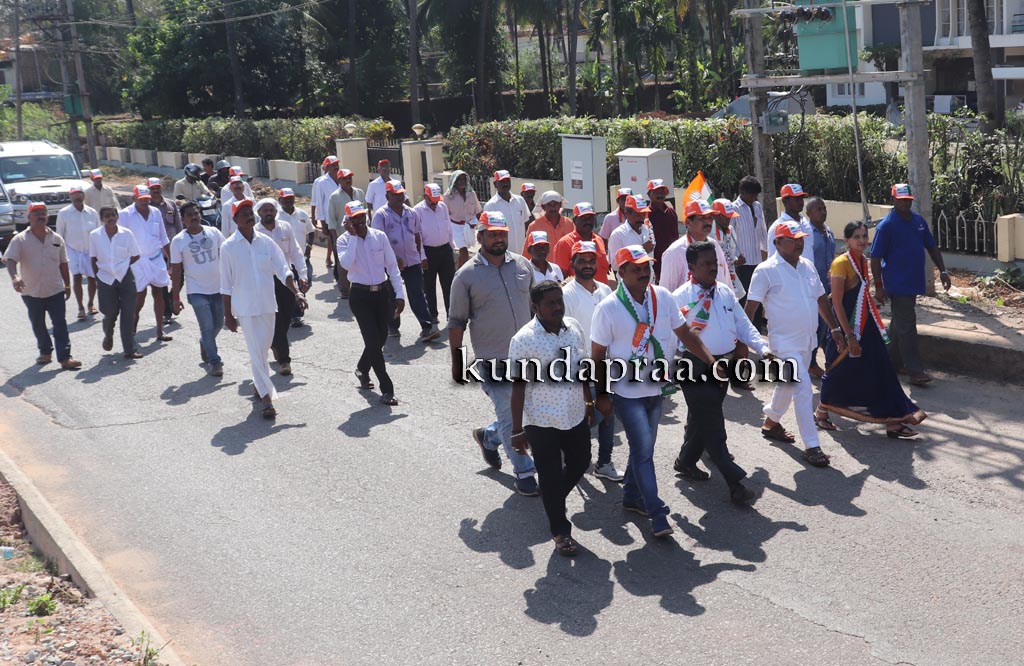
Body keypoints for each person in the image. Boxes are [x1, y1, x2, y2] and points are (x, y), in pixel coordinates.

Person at [591, 245, 715, 537]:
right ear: (621, 272)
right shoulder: (608, 308)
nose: (644, 273)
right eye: (636, 269)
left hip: (656, 389)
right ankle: (657, 513)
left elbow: (686, 334)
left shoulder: (663, 297)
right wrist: (602, 396)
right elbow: (596, 357)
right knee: (644, 452)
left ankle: (632, 497)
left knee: (642, 449)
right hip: (626, 392)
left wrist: (712, 363)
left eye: (646, 267)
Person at [671, 241, 770, 504]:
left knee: (701, 420)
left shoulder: (725, 292)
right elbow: (669, 337)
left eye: (714, 262)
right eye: (706, 263)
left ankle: (685, 461)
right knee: (714, 426)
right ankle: (735, 483)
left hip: (722, 367)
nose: (713, 268)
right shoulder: (679, 297)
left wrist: (763, 348)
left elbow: (743, 325)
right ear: (691, 267)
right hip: (693, 367)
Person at [449, 211, 539, 496]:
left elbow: (538, 308)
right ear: (480, 236)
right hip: (493, 361)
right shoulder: (466, 276)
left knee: (528, 414)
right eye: (493, 234)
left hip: (529, 358)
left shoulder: (523, 265)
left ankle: (488, 437)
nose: (498, 239)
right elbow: (456, 322)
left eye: (502, 234)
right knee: (510, 414)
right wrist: (457, 361)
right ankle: (524, 472)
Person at [744, 222, 846, 468]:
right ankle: (812, 445)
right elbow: (751, 308)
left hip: (807, 340)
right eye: (793, 239)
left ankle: (771, 422)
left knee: (788, 385)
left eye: (801, 238)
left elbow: (821, 299)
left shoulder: (807, 266)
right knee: (802, 389)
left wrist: (834, 329)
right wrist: (748, 343)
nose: (799, 243)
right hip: (783, 343)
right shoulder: (765, 271)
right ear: (778, 242)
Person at [818, 221, 927, 437]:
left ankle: (893, 421)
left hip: (867, 327)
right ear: (847, 240)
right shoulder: (841, 264)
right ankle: (822, 410)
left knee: (881, 369)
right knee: (839, 370)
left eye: (864, 236)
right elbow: (837, 304)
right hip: (847, 329)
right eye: (856, 237)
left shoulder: (862, 260)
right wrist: (848, 336)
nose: (862, 241)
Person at [509, 281, 593, 556]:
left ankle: (552, 496)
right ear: (535, 307)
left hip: (574, 413)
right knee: (550, 473)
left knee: (581, 461)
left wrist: (588, 400)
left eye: (559, 301)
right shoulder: (523, 340)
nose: (558, 307)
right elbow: (518, 387)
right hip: (541, 420)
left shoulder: (574, 328)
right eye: (550, 303)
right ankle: (560, 531)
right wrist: (517, 430)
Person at [221, 199, 307, 419]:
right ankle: (267, 399)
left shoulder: (266, 243)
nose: (249, 216)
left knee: (264, 348)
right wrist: (228, 314)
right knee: (256, 352)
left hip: (268, 305)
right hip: (246, 308)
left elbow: (283, 269)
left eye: (250, 212)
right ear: (235, 220)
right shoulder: (228, 247)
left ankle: (258, 384)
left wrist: (296, 292)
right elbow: (225, 285)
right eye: (244, 214)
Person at [870, 183, 951, 387]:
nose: (905, 204)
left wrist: (943, 270)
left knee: (899, 324)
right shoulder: (887, 226)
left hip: (914, 281)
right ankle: (915, 370)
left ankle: (887, 362)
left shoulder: (918, 221)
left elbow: (931, 246)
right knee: (907, 324)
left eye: (908, 200)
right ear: (893, 200)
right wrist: (878, 286)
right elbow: (875, 257)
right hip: (897, 283)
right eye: (901, 200)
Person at [561, 241, 621, 482]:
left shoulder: (606, 291)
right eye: (582, 261)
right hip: (579, 368)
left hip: (606, 367)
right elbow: (563, 336)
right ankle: (571, 458)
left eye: (591, 260)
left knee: (608, 414)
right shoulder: (566, 295)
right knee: (585, 418)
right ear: (572, 263)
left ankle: (604, 462)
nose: (588, 265)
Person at [338, 200, 405, 405]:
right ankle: (387, 388)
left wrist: (400, 294)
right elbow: (346, 264)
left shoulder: (379, 236)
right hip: (360, 296)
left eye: (361, 216)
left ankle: (362, 368)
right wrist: (354, 237)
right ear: (348, 221)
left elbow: (392, 267)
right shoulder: (344, 241)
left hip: (381, 294)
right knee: (373, 341)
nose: (359, 221)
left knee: (380, 337)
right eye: (354, 218)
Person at [3, 203, 81, 370]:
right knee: (38, 324)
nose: (40, 216)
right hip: (31, 291)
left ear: (47, 216)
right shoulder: (20, 239)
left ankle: (65, 358)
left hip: (55, 289)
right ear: (28, 217)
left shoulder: (56, 238)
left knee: (60, 324)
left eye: (43, 213)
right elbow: (10, 260)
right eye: (36, 213)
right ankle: (45, 352)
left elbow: (63, 263)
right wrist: (14, 277)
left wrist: (67, 285)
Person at [370, 180, 441, 342]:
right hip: (390, 264)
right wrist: (393, 259)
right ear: (387, 196)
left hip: (412, 261)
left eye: (401, 194)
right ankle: (393, 326)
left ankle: (427, 327)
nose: (399, 197)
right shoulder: (381, 216)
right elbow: (378, 242)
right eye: (395, 195)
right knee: (392, 295)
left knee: (417, 293)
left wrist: (419, 255)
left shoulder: (411, 213)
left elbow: (417, 236)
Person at [170, 201, 226, 377]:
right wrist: (175, 297)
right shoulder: (178, 241)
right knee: (207, 327)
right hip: (196, 291)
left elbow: (227, 255)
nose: (194, 217)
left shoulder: (214, 233)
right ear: (183, 219)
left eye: (196, 213)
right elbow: (176, 270)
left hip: (218, 288)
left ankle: (205, 343)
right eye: (190, 215)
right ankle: (215, 362)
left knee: (219, 323)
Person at [255, 199, 309, 377]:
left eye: (271, 209)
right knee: (276, 318)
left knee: (286, 318)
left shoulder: (285, 227)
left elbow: (296, 252)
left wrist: (302, 274)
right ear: (259, 213)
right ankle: (285, 360)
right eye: (265, 210)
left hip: (286, 279)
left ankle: (275, 343)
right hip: (265, 281)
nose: (268, 212)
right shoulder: (255, 232)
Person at [119, 185, 172, 343]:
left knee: (159, 293)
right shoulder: (125, 214)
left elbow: (163, 237)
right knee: (139, 296)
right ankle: (133, 325)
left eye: (147, 199)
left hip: (155, 258)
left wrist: (170, 258)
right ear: (134, 198)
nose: (145, 202)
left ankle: (159, 329)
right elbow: (120, 240)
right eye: (141, 199)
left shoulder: (155, 212)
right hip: (136, 261)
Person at [89, 206, 142, 359]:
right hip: (105, 277)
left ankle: (129, 349)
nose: (111, 218)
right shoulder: (95, 235)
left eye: (113, 215)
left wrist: (123, 266)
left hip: (125, 276)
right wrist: (98, 277)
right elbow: (93, 258)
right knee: (110, 312)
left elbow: (136, 255)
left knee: (128, 313)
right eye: (107, 216)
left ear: (117, 216)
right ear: (102, 219)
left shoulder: (126, 233)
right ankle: (108, 334)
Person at [659, 200, 732, 293]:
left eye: (710, 217)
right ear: (688, 222)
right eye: (702, 218)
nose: (708, 222)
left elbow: (727, 282)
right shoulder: (675, 252)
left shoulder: (715, 246)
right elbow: (666, 293)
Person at [56, 185, 100, 320]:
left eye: (79, 194)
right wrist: (60, 254)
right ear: (70, 197)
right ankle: (80, 307)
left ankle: (91, 303)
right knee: (77, 277)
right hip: (72, 250)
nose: (77, 197)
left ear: (83, 195)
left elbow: (99, 232)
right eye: (74, 194)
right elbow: (59, 234)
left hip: (90, 250)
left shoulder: (92, 212)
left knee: (92, 278)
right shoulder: (64, 213)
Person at [414, 183, 455, 324]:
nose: (435, 204)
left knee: (449, 284)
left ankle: (451, 314)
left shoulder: (442, 207)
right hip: (428, 252)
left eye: (437, 201)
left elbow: (448, 227)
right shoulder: (418, 210)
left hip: (445, 250)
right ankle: (432, 314)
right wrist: (422, 256)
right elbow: (417, 235)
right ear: (425, 196)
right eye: (432, 201)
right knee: (429, 286)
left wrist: (451, 247)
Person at [804, 197, 835, 379]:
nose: (823, 212)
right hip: (814, 288)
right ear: (808, 213)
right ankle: (811, 363)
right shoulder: (807, 234)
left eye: (824, 209)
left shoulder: (829, 231)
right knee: (817, 327)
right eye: (818, 209)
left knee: (828, 327)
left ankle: (829, 361)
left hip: (830, 287)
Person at [733, 175, 769, 327]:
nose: (754, 197)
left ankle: (757, 330)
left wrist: (767, 252)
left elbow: (763, 231)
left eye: (756, 195)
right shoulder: (734, 209)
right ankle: (744, 331)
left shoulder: (757, 206)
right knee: (745, 300)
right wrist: (735, 257)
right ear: (743, 192)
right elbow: (730, 235)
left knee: (758, 298)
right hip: (743, 264)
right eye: (752, 194)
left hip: (758, 263)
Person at [276, 188, 315, 322]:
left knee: (306, 281)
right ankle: (295, 314)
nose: (289, 201)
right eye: (286, 199)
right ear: (279, 200)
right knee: (291, 286)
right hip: (286, 260)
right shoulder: (277, 217)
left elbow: (311, 231)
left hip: (302, 257)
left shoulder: (302, 214)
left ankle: (298, 303)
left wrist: (309, 247)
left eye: (291, 198)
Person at [148, 177, 183, 327]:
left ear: (161, 188)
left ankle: (171, 299)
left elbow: (179, 225)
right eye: (152, 188)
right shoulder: (146, 207)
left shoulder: (171, 204)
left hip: (174, 248)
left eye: (157, 187)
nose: (155, 190)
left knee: (179, 278)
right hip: (156, 252)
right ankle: (166, 312)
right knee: (161, 284)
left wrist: (182, 244)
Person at [326, 169, 365, 297]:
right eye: (345, 178)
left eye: (349, 177)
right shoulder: (334, 197)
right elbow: (331, 221)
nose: (348, 180)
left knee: (361, 261)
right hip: (344, 236)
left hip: (360, 234)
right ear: (339, 180)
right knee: (343, 264)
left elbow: (365, 213)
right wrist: (335, 240)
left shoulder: (360, 193)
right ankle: (344, 290)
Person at [551, 202, 611, 284]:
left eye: (590, 218)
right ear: (575, 221)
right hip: (577, 291)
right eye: (583, 218)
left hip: (601, 291)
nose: (588, 221)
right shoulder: (564, 243)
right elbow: (560, 277)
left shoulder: (599, 240)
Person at [606, 194, 655, 275]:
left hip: (648, 279)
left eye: (643, 214)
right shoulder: (618, 235)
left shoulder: (646, 230)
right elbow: (615, 265)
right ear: (627, 214)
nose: (641, 218)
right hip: (630, 281)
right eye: (638, 215)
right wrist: (642, 251)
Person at [483, 170, 531, 253]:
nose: (505, 184)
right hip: (503, 253)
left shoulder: (520, 201)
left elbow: (526, 223)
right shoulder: (490, 205)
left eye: (507, 181)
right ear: (495, 184)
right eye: (502, 182)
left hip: (522, 252)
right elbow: (488, 232)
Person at [767, 184, 815, 265]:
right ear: (785, 201)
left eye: (801, 198)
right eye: (796, 199)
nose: (800, 202)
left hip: (807, 271)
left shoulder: (806, 223)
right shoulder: (777, 227)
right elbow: (772, 259)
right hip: (786, 272)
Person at [444, 170, 482, 267]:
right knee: (464, 252)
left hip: (470, 226)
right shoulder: (448, 196)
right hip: (456, 227)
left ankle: (459, 270)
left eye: (464, 179)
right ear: (454, 181)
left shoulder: (471, 194)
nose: (462, 181)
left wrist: (482, 228)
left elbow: (478, 211)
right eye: (459, 179)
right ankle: (463, 273)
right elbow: (444, 215)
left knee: (466, 252)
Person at [311, 157, 342, 276]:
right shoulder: (321, 182)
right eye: (333, 165)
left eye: (337, 164)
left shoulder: (342, 178)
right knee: (334, 241)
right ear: (327, 167)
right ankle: (338, 271)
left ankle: (338, 264)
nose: (336, 167)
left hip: (341, 216)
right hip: (329, 219)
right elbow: (318, 202)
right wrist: (320, 221)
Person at [646, 179, 678, 280]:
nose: (660, 195)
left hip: (672, 260)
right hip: (654, 263)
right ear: (649, 194)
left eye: (662, 192)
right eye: (656, 192)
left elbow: (676, 237)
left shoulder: (671, 212)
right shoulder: (645, 214)